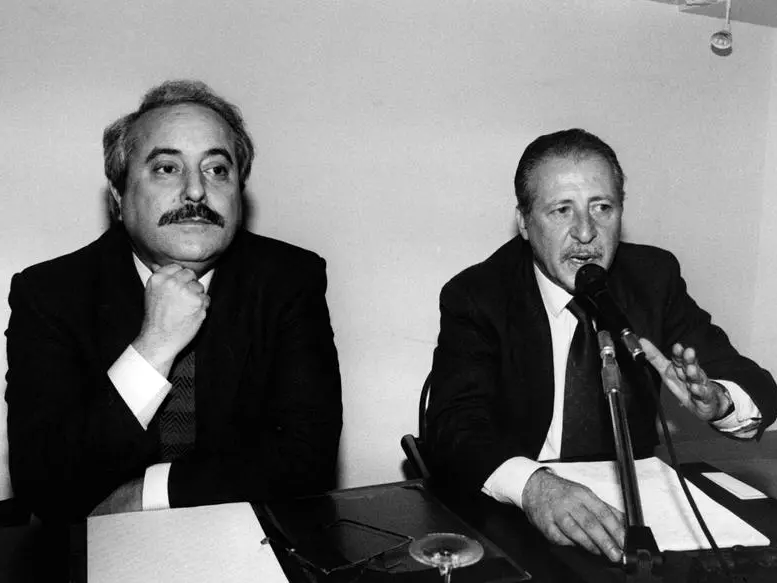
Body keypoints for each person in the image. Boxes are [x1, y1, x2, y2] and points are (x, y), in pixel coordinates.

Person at [426, 128, 777, 563]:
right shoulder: (479, 295)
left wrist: (720, 399)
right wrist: (533, 486)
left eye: (602, 207)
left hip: (639, 509)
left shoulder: (652, 277)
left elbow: (757, 385)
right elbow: (454, 426)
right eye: (561, 210)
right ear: (524, 222)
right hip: (518, 511)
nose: (585, 232)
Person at [5, 80, 343, 523]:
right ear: (118, 195)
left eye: (217, 169)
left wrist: (148, 492)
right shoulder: (49, 293)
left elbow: (308, 458)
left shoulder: (288, 279)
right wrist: (154, 345)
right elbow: (42, 481)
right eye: (167, 168)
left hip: (245, 537)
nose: (197, 191)